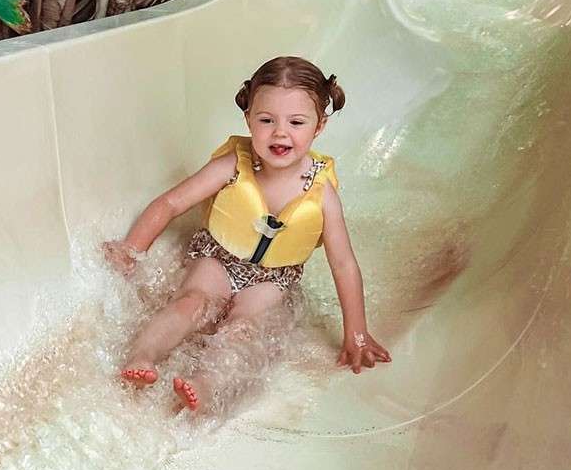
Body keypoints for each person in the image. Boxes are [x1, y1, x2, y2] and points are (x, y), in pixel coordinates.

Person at [102, 56, 391, 413]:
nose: (280, 133)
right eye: (266, 120)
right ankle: (142, 357)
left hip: (271, 279)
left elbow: (344, 264)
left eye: (296, 122)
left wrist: (356, 333)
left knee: (244, 330)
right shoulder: (232, 166)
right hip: (219, 259)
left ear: (319, 127)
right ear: (248, 119)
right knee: (190, 302)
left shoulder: (322, 194)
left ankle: (205, 385)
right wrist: (132, 250)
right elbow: (171, 204)